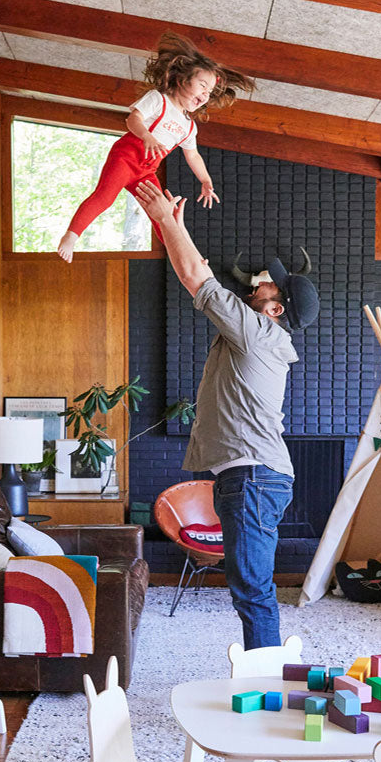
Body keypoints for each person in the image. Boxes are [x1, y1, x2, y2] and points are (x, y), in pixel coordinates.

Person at [133, 181, 320, 649]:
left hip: (254, 476)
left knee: (252, 588)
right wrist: (172, 225)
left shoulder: (258, 332)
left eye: (268, 285)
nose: (258, 282)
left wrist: (164, 221)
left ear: (276, 308)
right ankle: (266, 670)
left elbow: (198, 275)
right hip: (251, 476)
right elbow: (194, 278)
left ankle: (266, 683)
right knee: (249, 585)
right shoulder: (255, 333)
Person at [57, 33, 254, 263]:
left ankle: (186, 256)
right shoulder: (158, 100)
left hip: (146, 171)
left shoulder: (188, 126)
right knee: (105, 197)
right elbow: (133, 120)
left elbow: (193, 155)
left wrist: (206, 181)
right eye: (202, 85)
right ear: (182, 79)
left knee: (165, 215)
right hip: (126, 157)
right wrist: (146, 135)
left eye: (209, 91)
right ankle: (71, 236)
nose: (205, 94)